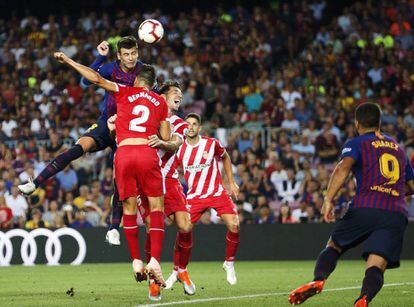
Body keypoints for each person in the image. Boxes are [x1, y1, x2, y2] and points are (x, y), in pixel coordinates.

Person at [52, 51, 170, 287]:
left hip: (124, 153)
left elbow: (95, 79)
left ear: (137, 81)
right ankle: (155, 260)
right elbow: (165, 139)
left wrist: (68, 61)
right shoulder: (161, 103)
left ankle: (136, 260)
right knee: (156, 207)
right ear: (152, 83)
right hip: (146, 152)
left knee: (128, 205)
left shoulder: (124, 91)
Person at [18, 36, 143, 245]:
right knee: (78, 147)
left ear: (138, 53)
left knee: (119, 177)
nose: (131, 58)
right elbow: (86, 81)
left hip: (129, 130)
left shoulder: (144, 71)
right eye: (126, 55)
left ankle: (113, 228)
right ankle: (35, 184)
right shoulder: (110, 68)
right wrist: (99, 58)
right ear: (119, 56)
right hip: (106, 123)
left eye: (134, 54)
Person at [288, 102, 414, 306]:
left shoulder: (357, 143)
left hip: (366, 206)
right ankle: (363, 299)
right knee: (377, 262)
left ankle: (319, 279)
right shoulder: (399, 149)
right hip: (395, 213)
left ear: (357, 124)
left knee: (334, 246)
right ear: (379, 123)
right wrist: (392, 191)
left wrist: (328, 199)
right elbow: (411, 185)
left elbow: (343, 168)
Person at [172, 113, 240, 285]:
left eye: (195, 124)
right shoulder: (179, 149)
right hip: (195, 196)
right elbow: (171, 170)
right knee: (183, 230)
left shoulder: (211, 144)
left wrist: (231, 182)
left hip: (216, 192)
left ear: (199, 127)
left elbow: (225, 156)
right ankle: (177, 270)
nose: (191, 127)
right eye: (188, 124)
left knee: (234, 225)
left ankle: (229, 263)